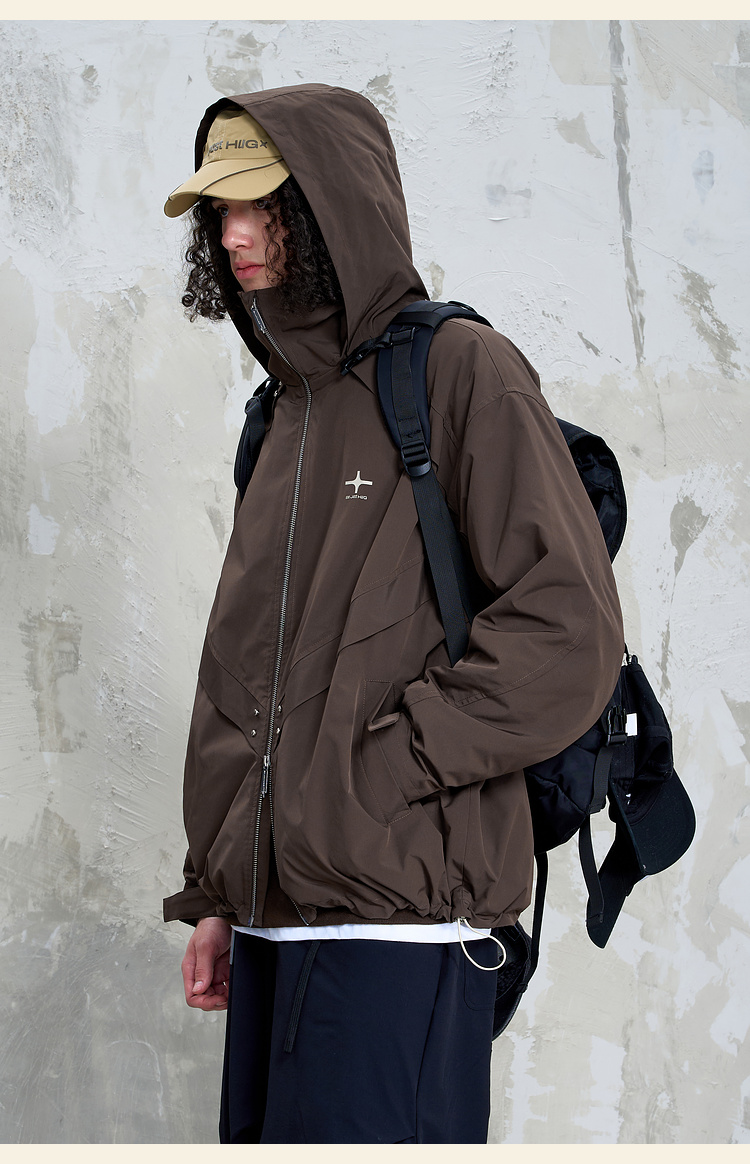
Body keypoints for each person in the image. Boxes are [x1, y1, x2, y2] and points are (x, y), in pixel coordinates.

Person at [162, 83, 624, 1144]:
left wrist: (381, 770)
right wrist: (225, 891)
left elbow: (567, 632)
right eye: (220, 209)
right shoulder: (282, 414)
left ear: (331, 204)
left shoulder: (460, 372)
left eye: (262, 205)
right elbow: (254, 678)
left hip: (403, 937)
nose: (233, 234)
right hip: (277, 933)